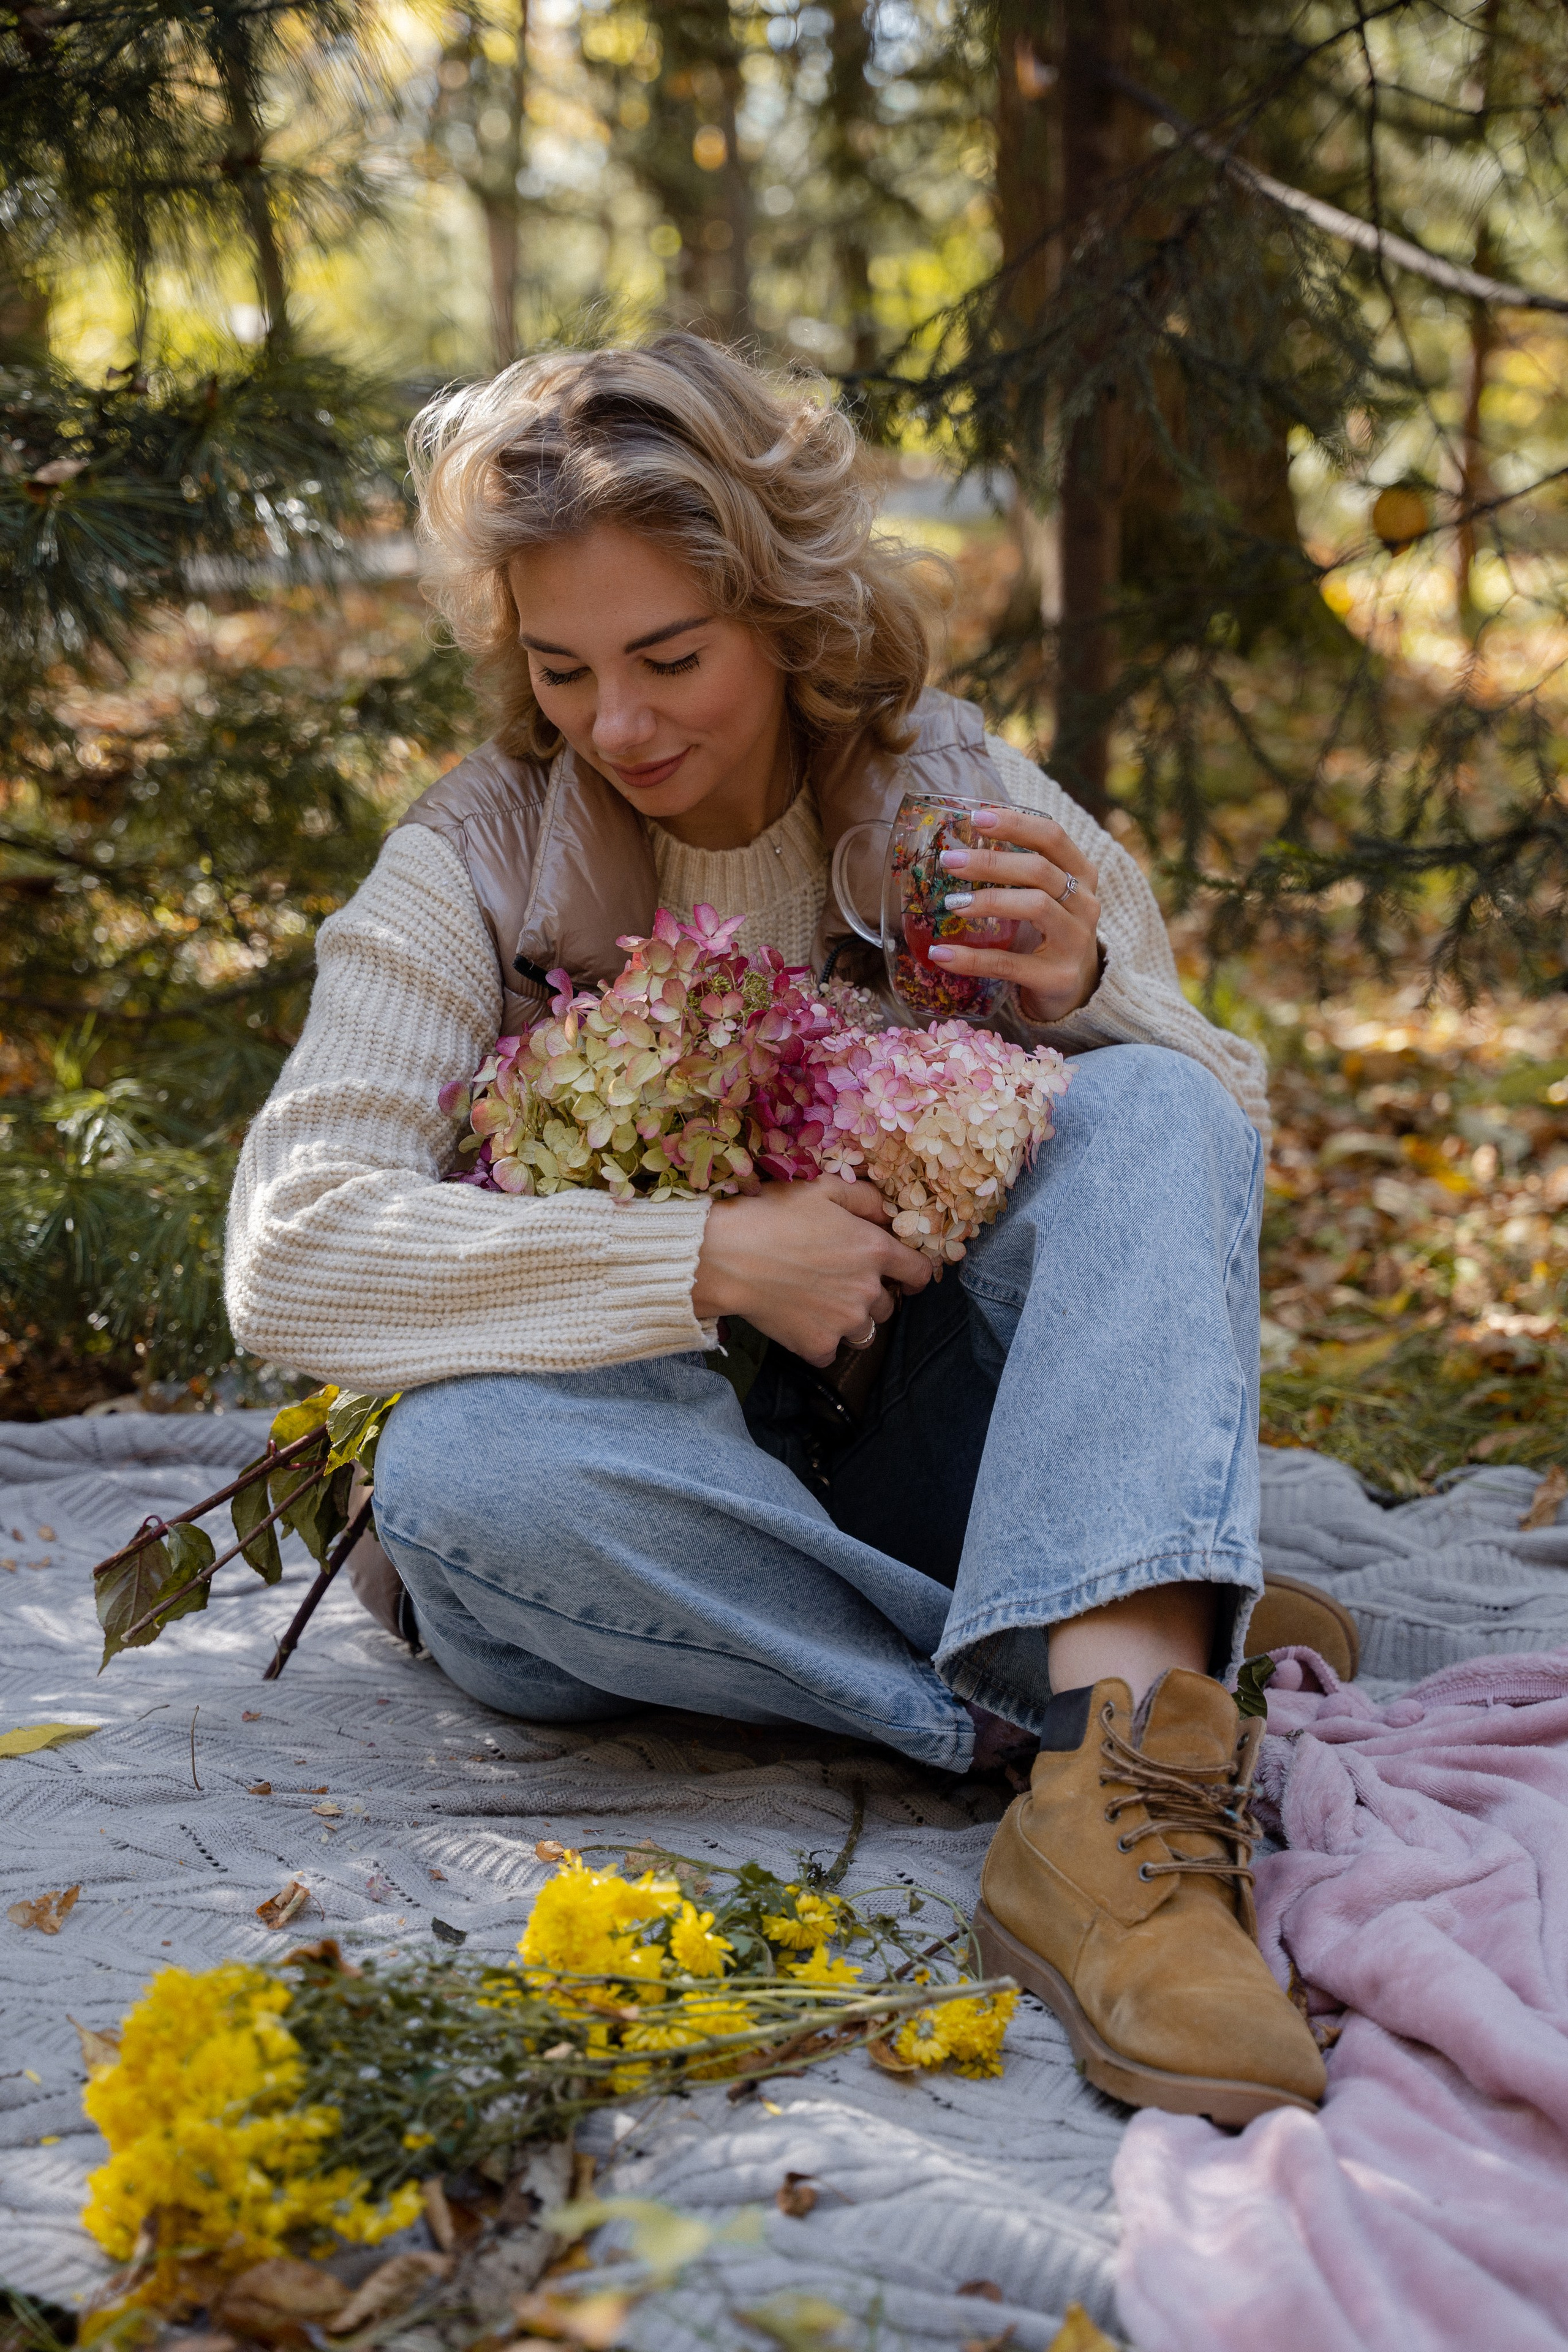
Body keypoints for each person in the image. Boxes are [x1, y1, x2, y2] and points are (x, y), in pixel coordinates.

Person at [225, 335, 1324, 2124]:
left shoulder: (951, 797)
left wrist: (1098, 989)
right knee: (452, 1490)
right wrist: (710, 1261)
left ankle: (1123, 1813)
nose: (622, 725)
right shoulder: (475, 859)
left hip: (940, 1442)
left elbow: (1208, 1153)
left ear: (792, 615)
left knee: (1148, 1103)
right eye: (565, 669)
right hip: (660, 1509)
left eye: (671, 656)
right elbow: (288, 1247)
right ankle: (1108, 1684)